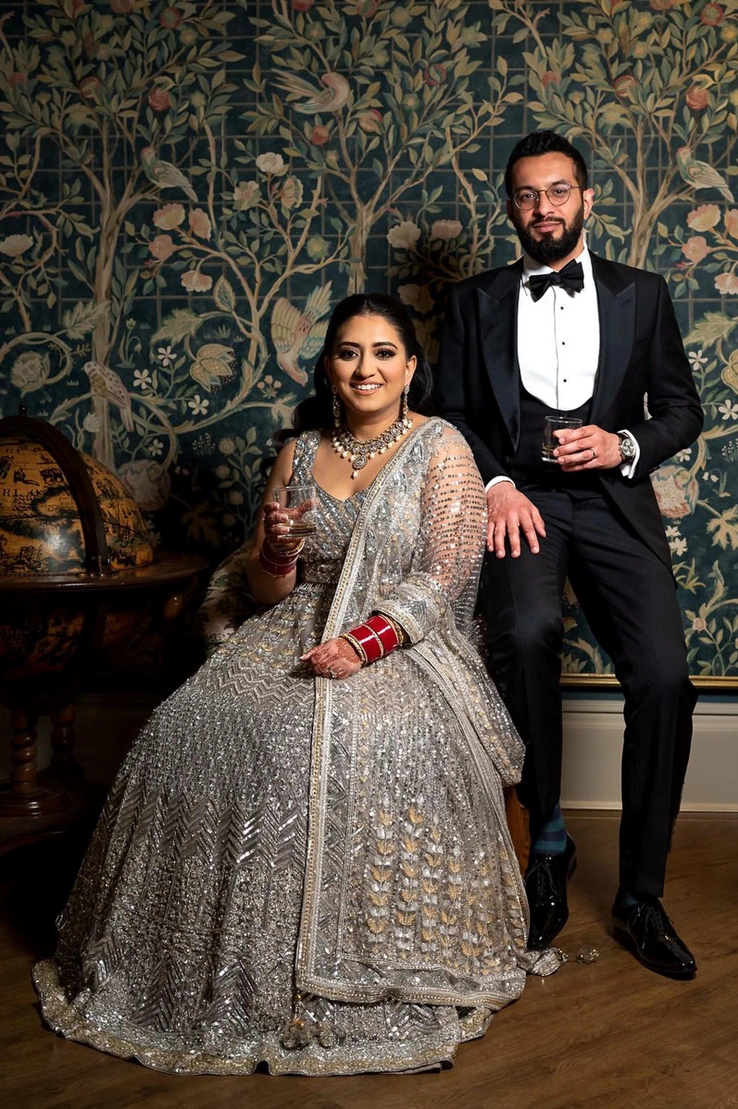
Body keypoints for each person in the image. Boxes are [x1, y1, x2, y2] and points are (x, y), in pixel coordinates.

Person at [33, 293, 560, 1077]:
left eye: (384, 352)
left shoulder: (441, 445)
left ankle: (330, 984)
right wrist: (277, 552)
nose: (366, 367)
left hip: (403, 640)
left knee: (322, 738)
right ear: (328, 365)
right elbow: (267, 587)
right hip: (295, 625)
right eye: (349, 352)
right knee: (197, 717)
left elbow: (445, 578)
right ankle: (215, 974)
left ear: (410, 368)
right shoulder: (300, 450)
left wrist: (362, 642)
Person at [436, 131, 703, 980]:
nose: (543, 207)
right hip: (522, 501)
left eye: (559, 192)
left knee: (663, 676)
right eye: (526, 194)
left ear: (587, 200)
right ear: (509, 206)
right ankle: (547, 843)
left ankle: (641, 895)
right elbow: (447, 416)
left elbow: (682, 409)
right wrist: (494, 486)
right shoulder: (473, 300)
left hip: (616, 505)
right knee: (526, 632)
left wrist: (624, 441)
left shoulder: (643, 294)